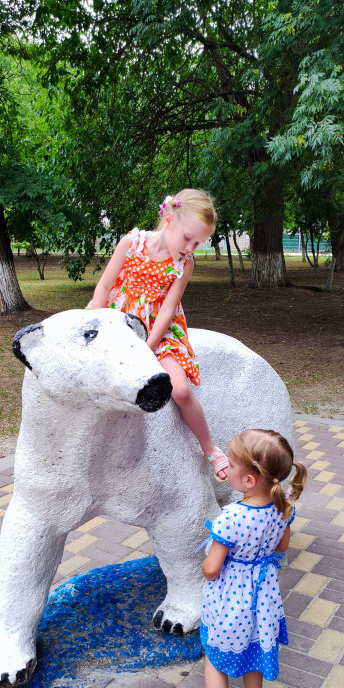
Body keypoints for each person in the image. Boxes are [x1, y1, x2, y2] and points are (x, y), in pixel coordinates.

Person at [181, 429, 307, 688]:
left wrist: (208, 561)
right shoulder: (284, 507)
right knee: (253, 650)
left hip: (230, 600)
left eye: (232, 465)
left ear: (249, 480)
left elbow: (211, 569)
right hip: (263, 598)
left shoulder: (232, 517)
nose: (226, 470)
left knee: (216, 661)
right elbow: (282, 546)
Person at [90, 188, 228, 481]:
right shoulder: (131, 242)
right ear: (168, 220)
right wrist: (98, 326)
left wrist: (146, 347)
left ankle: (210, 448)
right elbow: (103, 287)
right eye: (188, 238)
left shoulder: (184, 264)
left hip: (159, 333)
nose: (191, 247)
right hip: (117, 321)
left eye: (199, 243)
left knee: (179, 390)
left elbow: (166, 311)